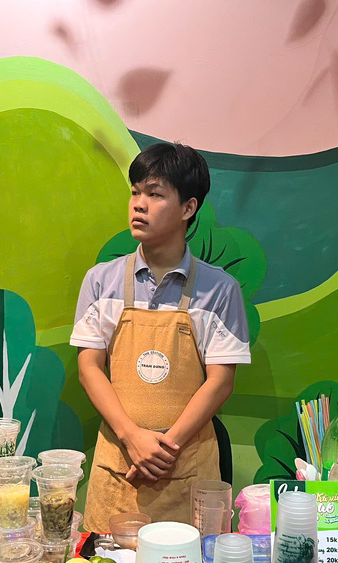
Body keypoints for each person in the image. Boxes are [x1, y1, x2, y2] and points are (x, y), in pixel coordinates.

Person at [70, 142, 251, 533]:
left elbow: (221, 381)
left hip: (188, 468)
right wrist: (131, 436)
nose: (139, 204)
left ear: (188, 208)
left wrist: (165, 449)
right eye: (135, 192)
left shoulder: (220, 290)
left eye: (155, 194)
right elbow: (88, 367)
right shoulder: (100, 281)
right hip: (119, 467)